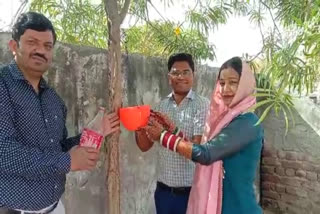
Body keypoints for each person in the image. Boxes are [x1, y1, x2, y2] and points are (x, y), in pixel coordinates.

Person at [0, 12, 120, 214]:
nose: (40, 51)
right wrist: (68, 161)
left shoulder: (53, 99)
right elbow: (4, 153)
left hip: (55, 208)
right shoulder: (3, 86)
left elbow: (59, 147)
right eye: (32, 42)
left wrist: (92, 134)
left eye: (47, 46)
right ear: (14, 46)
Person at [144, 57, 263, 214]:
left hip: (239, 207)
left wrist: (163, 136)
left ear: (245, 85)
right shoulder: (225, 120)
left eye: (233, 82)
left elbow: (206, 154)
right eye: (221, 83)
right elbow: (202, 148)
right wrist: (173, 130)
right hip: (220, 204)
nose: (225, 89)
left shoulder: (247, 122)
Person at [135, 53, 209, 214]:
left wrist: (166, 134)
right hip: (163, 192)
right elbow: (144, 146)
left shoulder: (202, 105)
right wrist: (138, 126)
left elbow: (196, 150)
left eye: (185, 72)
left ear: (193, 76)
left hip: (190, 191)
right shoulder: (161, 107)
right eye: (175, 73)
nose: (180, 77)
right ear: (169, 77)